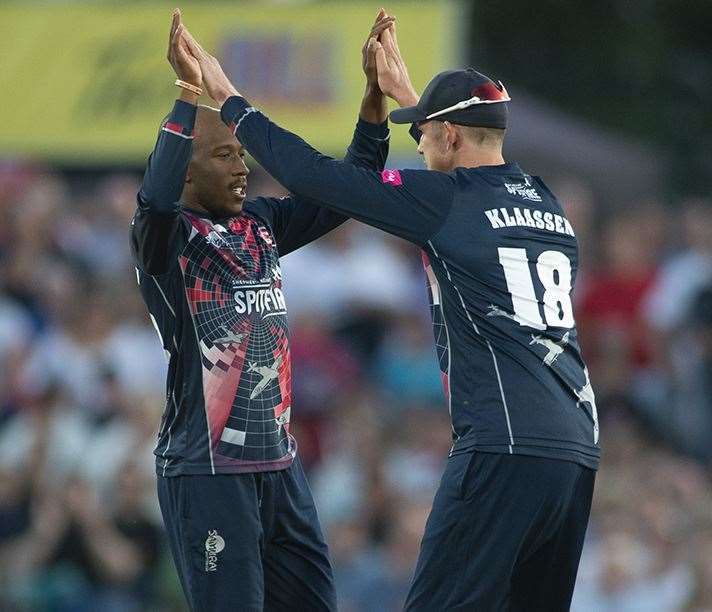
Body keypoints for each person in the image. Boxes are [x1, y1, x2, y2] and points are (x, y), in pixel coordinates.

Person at [179, 16, 600, 611]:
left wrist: (231, 102)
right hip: (575, 449)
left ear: (450, 137)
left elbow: (316, 178)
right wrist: (409, 100)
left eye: (423, 136)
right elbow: (467, 157)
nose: (419, 147)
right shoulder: (547, 202)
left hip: (502, 445)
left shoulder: (443, 200)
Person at [130, 9, 395, 611]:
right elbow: (156, 197)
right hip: (207, 469)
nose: (243, 165)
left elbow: (346, 190)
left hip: (279, 465)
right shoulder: (165, 243)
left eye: (242, 154)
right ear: (188, 167)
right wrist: (187, 98)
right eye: (225, 155)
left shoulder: (262, 224)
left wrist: (373, 103)